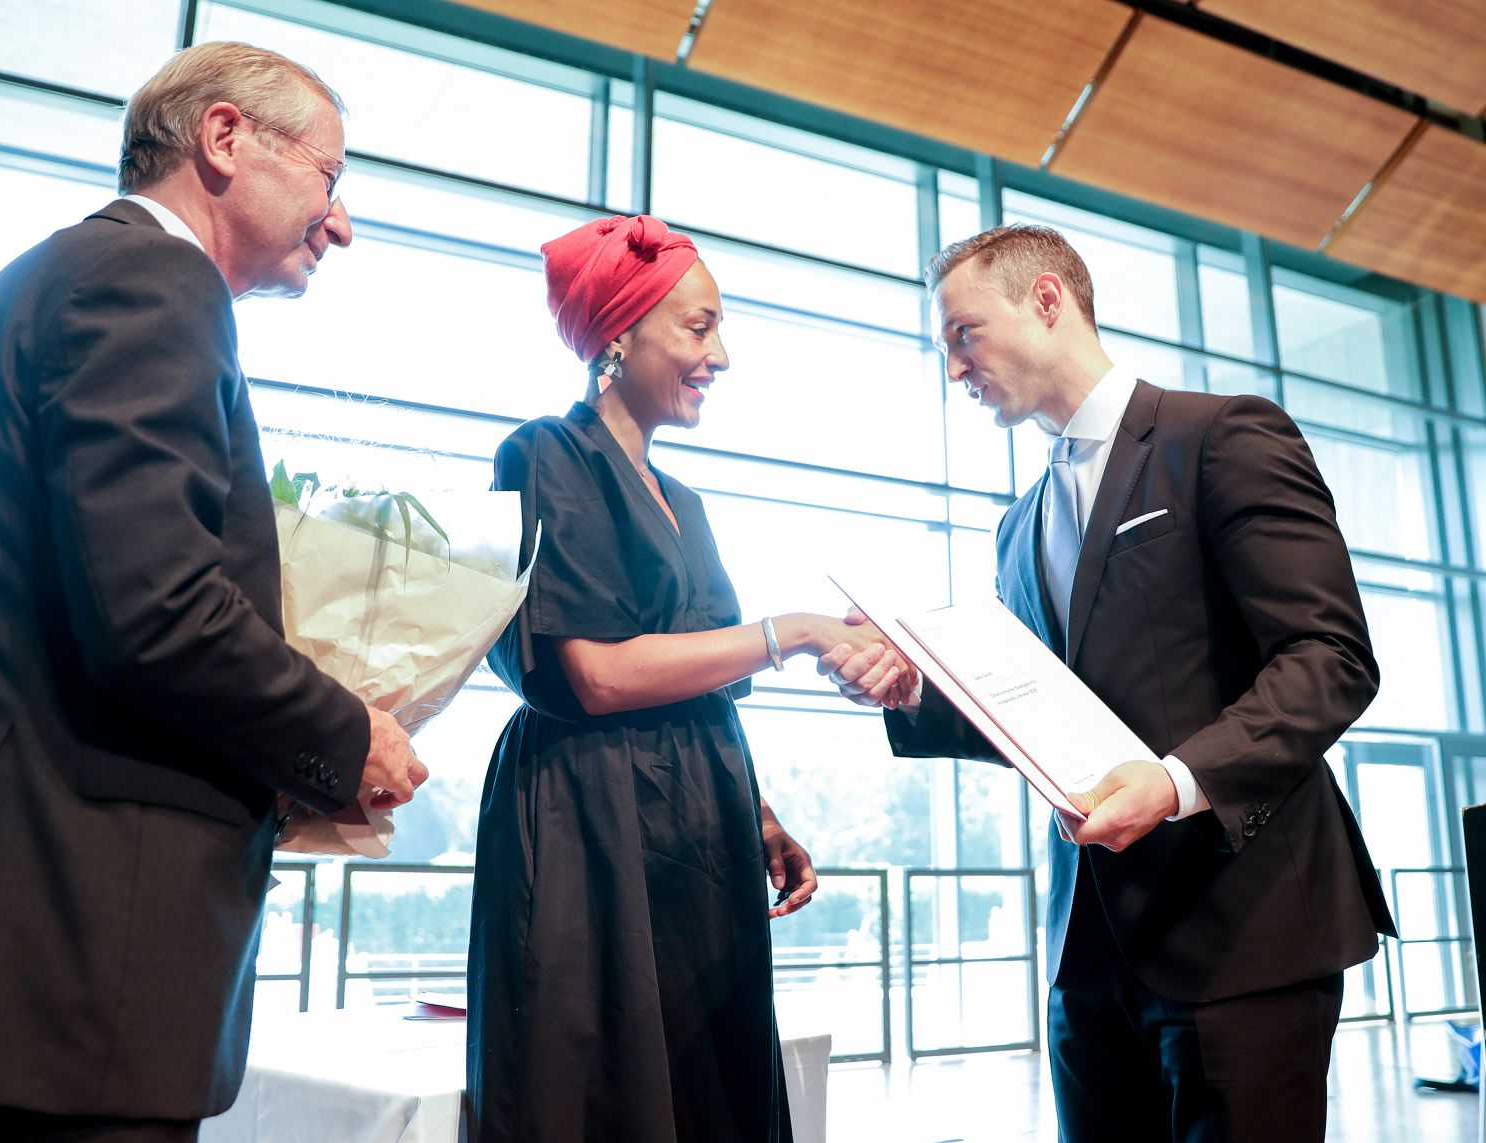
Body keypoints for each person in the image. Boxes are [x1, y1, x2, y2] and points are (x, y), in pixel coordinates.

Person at [0, 41, 427, 1142]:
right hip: (65, 954)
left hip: (26, 955)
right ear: (223, 139)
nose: (341, 223)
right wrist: (343, 735)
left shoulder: (79, 278)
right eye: (329, 178)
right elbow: (155, 611)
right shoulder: (149, 279)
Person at [826, 224, 1395, 1143]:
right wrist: (911, 687)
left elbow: (1330, 657)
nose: (954, 368)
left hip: (1240, 930)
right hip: (1086, 958)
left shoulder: (1221, 437)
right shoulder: (1018, 526)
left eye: (964, 334)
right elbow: (1032, 714)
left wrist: (1173, 782)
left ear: (1047, 300)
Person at [464, 214, 909, 1143]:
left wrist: (755, 811)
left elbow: (694, 674)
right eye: (699, 328)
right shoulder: (543, 454)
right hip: (588, 817)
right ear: (617, 337)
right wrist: (794, 631)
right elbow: (596, 675)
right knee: (605, 1086)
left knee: (710, 1080)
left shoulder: (687, 502)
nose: (721, 356)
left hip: (695, 820)